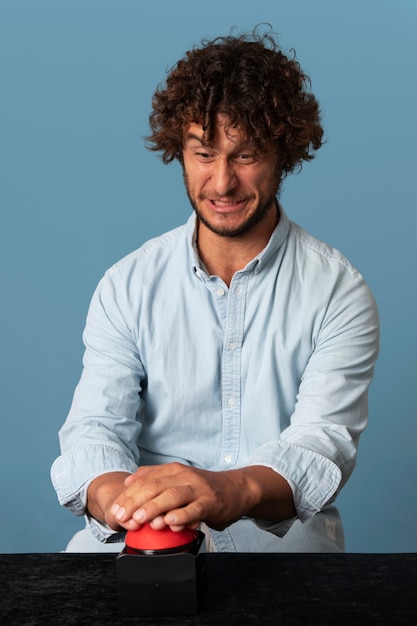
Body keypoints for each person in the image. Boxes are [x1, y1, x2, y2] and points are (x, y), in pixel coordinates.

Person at [51, 26, 379, 553]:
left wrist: (226, 491)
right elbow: (94, 428)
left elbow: (321, 448)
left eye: (246, 155)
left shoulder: (339, 291)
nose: (222, 182)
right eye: (205, 153)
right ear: (179, 152)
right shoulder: (127, 285)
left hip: (285, 548)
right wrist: (125, 501)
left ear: (284, 155)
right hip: (144, 532)